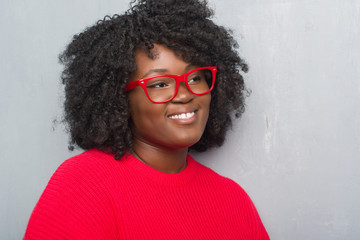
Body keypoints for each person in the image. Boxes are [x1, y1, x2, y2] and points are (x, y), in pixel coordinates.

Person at [24, 0, 269, 239]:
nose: (184, 94)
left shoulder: (233, 199)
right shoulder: (84, 186)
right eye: (160, 84)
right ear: (120, 99)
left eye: (195, 77)